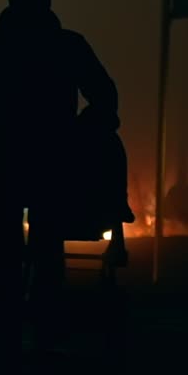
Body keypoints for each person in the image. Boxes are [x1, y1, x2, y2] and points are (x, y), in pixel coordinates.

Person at [0, 0, 118, 355]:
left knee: (4, 245)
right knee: (47, 244)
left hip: (5, 158)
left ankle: (7, 320)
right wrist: (79, 129)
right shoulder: (68, 46)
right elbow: (104, 95)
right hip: (52, 161)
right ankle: (45, 319)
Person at [64, 103, 135, 268]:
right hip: (99, 217)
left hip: (61, 215)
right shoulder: (112, 145)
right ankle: (117, 248)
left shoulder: (67, 144)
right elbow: (116, 188)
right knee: (113, 196)